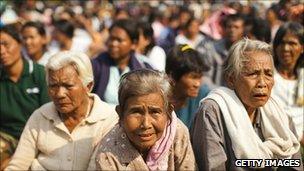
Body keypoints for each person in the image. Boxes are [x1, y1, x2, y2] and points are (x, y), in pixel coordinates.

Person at [190, 38, 301, 170]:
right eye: (253, 74)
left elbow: (295, 165)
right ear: (231, 79)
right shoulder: (213, 112)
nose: (262, 83)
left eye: (268, 74)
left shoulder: (280, 115)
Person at [5, 51, 119, 170]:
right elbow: (18, 165)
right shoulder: (41, 116)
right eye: (53, 86)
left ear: (88, 86)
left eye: (68, 86)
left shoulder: (107, 119)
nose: (60, 94)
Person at [88, 69, 196, 170]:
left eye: (155, 112)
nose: (146, 124)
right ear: (120, 114)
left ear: (168, 113)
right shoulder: (109, 152)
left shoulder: (177, 133)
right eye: (136, 112)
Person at [0, 24, 49, 169]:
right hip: (6, 136)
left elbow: (50, 115)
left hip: (37, 137)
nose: (1, 51)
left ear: (20, 44)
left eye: (6, 44)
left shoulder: (40, 74)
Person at [92, 19, 152, 105]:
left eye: (119, 40)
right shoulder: (97, 65)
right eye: (111, 39)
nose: (113, 44)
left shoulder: (144, 69)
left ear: (133, 44)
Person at [271, 22, 304, 145]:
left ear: (302, 48)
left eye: (292, 43)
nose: (285, 48)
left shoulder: (302, 77)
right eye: (282, 43)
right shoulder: (267, 76)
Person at [166, 44, 210, 128]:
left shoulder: (204, 96)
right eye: (193, 77)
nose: (198, 84)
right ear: (173, 76)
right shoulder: (158, 99)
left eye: (200, 77)